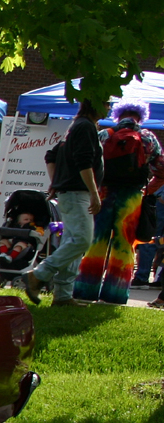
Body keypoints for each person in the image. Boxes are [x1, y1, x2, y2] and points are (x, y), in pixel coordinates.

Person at [71, 101, 164, 304]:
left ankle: (85, 291)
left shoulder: (105, 135)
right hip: (132, 197)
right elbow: (161, 170)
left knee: (97, 241)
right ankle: (115, 294)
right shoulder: (148, 138)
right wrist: (147, 189)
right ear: (141, 117)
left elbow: (89, 164)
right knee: (124, 245)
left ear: (118, 115)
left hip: (102, 194)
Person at [25, 99, 102, 306]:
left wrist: (55, 181)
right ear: (95, 104)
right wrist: (94, 193)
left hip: (70, 192)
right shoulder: (85, 127)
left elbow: (51, 155)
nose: (109, 107)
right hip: (78, 194)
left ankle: (63, 295)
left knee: (72, 242)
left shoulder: (75, 127)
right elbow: (84, 162)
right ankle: (39, 274)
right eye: (106, 103)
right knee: (81, 241)